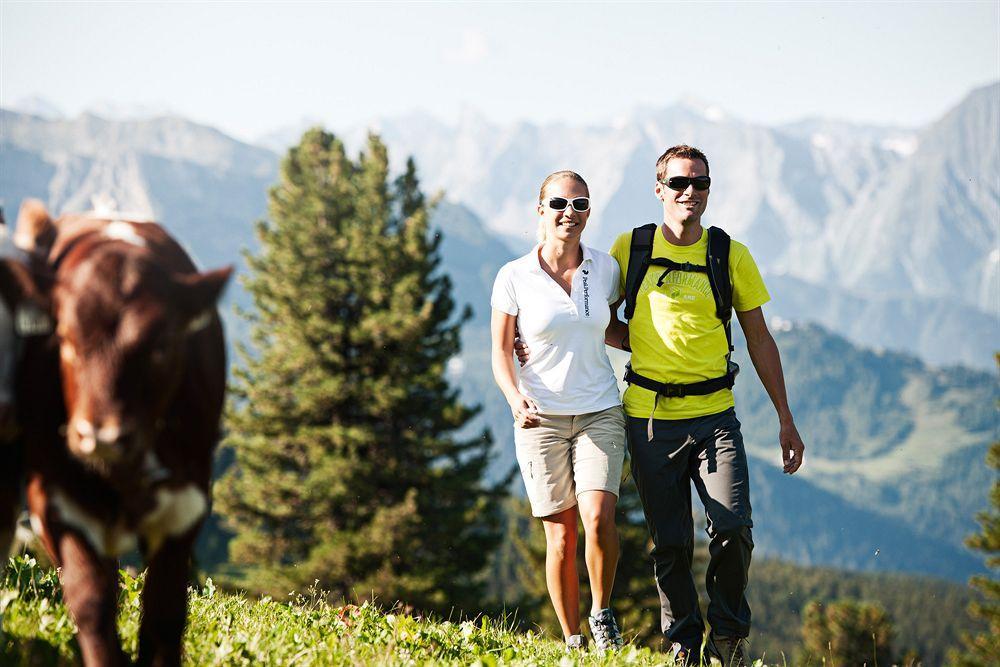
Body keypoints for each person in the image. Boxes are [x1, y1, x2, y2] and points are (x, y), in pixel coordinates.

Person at [606, 145, 806, 665]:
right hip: (649, 419)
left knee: (734, 527)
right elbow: (596, 317)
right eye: (677, 183)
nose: (688, 192)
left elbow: (759, 338)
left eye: (699, 183)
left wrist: (786, 418)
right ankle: (682, 645)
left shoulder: (729, 254)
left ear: (709, 190)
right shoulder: (631, 248)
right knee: (670, 542)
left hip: (716, 416)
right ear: (659, 189)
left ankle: (728, 638)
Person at [490, 171, 627, 652]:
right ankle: (572, 640)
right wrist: (515, 399)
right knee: (561, 537)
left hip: (599, 410)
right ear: (540, 208)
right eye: (559, 203)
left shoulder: (606, 268)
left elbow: (612, 327)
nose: (569, 212)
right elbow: (502, 351)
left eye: (580, 203)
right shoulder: (513, 277)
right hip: (540, 417)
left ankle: (601, 614)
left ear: (589, 212)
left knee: (598, 518)